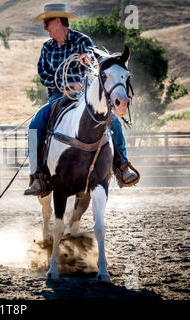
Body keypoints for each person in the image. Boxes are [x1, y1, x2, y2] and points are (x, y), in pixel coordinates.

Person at [24, 3, 138, 196]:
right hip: (58, 97)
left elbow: (99, 69)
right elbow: (43, 74)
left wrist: (89, 62)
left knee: (114, 121)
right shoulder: (47, 47)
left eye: (47, 23)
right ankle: (37, 176)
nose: (45, 28)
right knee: (35, 126)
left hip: (84, 96)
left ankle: (122, 167)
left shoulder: (83, 42)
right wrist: (63, 85)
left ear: (58, 22)